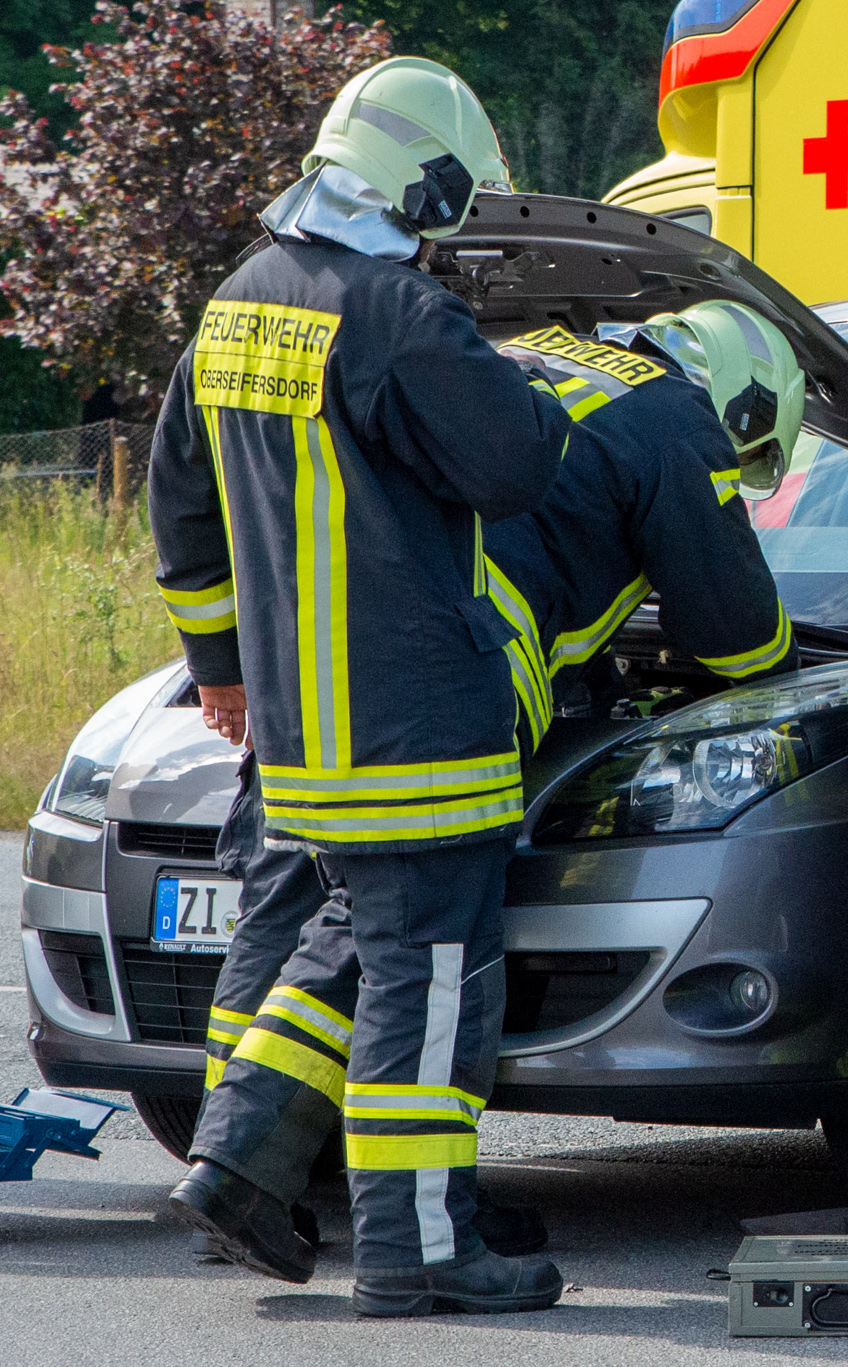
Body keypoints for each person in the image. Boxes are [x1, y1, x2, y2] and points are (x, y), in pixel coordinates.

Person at [187, 300, 804, 1275]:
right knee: (414, 941)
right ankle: (299, 1185)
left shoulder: (524, 354)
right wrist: (778, 668)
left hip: (310, 657)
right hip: (443, 687)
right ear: (743, 402)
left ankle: (256, 1172)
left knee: (294, 908)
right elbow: (739, 636)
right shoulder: (673, 414)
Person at [149, 55, 579, 1317]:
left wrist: (222, 667)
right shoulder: (396, 311)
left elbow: (182, 504)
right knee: (428, 988)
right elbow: (517, 465)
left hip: (302, 736)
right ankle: (418, 1248)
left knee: (365, 951)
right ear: (424, 187)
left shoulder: (239, 301)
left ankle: (240, 1162)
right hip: (416, 721)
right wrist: (539, 382)